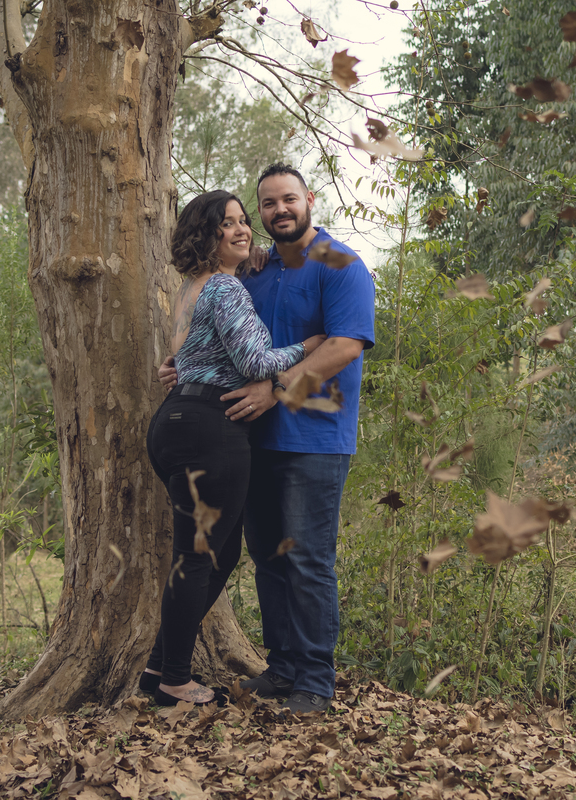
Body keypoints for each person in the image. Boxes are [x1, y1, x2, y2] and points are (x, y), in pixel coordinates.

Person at [160, 164, 376, 714]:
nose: (279, 210)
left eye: (288, 200)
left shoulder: (341, 266)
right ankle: (281, 670)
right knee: (267, 556)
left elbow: (345, 345)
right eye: (268, 204)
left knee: (307, 559)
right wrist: (184, 364)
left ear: (309, 200)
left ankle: (314, 682)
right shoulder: (254, 270)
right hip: (249, 435)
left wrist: (276, 388)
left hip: (314, 438)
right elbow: (219, 335)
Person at [138, 190, 325, 706]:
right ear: (207, 234)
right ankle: (175, 680)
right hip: (210, 429)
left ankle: (159, 667)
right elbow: (256, 361)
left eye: (246, 222)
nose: (243, 230)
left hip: (173, 423)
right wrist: (311, 343)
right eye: (229, 224)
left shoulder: (190, 289)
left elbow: (182, 360)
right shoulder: (223, 288)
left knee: (215, 554)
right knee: (200, 555)